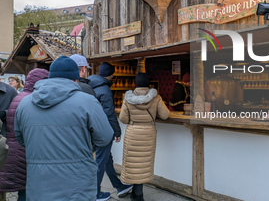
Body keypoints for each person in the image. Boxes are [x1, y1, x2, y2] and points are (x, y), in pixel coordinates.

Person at [14, 56, 114, 201]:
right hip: (77, 185)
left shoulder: (24, 104)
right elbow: (105, 137)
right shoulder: (87, 102)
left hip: (38, 184)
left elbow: (21, 139)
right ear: (75, 79)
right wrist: (85, 144)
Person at [119, 73, 170, 201]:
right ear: (148, 83)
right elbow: (165, 115)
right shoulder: (156, 97)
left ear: (135, 83)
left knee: (134, 164)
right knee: (143, 164)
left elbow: (123, 119)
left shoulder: (128, 98)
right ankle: (137, 194)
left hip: (133, 132)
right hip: (148, 133)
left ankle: (137, 194)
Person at [0, 68, 49, 201]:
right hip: (23, 149)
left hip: (11, 146)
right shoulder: (32, 99)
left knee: (21, 187)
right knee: (26, 189)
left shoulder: (18, 96)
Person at [88, 62, 133, 200]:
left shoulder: (91, 85)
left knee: (107, 159)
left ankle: (119, 186)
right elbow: (109, 114)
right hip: (103, 130)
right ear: (111, 75)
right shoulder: (105, 90)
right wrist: (117, 131)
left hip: (93, 128)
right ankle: (95, 193)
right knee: (101, 161)